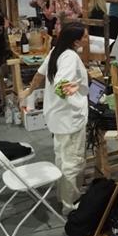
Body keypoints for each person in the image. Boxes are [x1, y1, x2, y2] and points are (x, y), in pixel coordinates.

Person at [20, 22, 90, 215]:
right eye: (85, 36)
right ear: (76, 41)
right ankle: (70, 205)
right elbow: (61, 86)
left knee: (62, 157)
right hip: (69, 119)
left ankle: (64, 196)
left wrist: (28, 91)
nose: (87, 39)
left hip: (57, 117)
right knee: (73, 162)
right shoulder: (70, 57)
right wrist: (76, 90)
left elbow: (39, 75)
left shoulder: (56, 52)